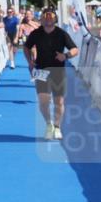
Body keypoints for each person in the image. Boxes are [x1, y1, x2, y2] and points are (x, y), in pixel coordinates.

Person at [23, 9, 79, 140]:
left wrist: (65, 56)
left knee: (59, 101)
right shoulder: (36, 33)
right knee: (43, 102)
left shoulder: (61, 33)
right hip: (41, 70)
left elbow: (75, 49)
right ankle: (49, 124)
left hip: (58, 71)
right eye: (45, 16)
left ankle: (58, 127)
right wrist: (30, 62)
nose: (48, 18)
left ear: (55, 19)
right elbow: (26, 47)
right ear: (41, 19)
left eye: (51, 16)